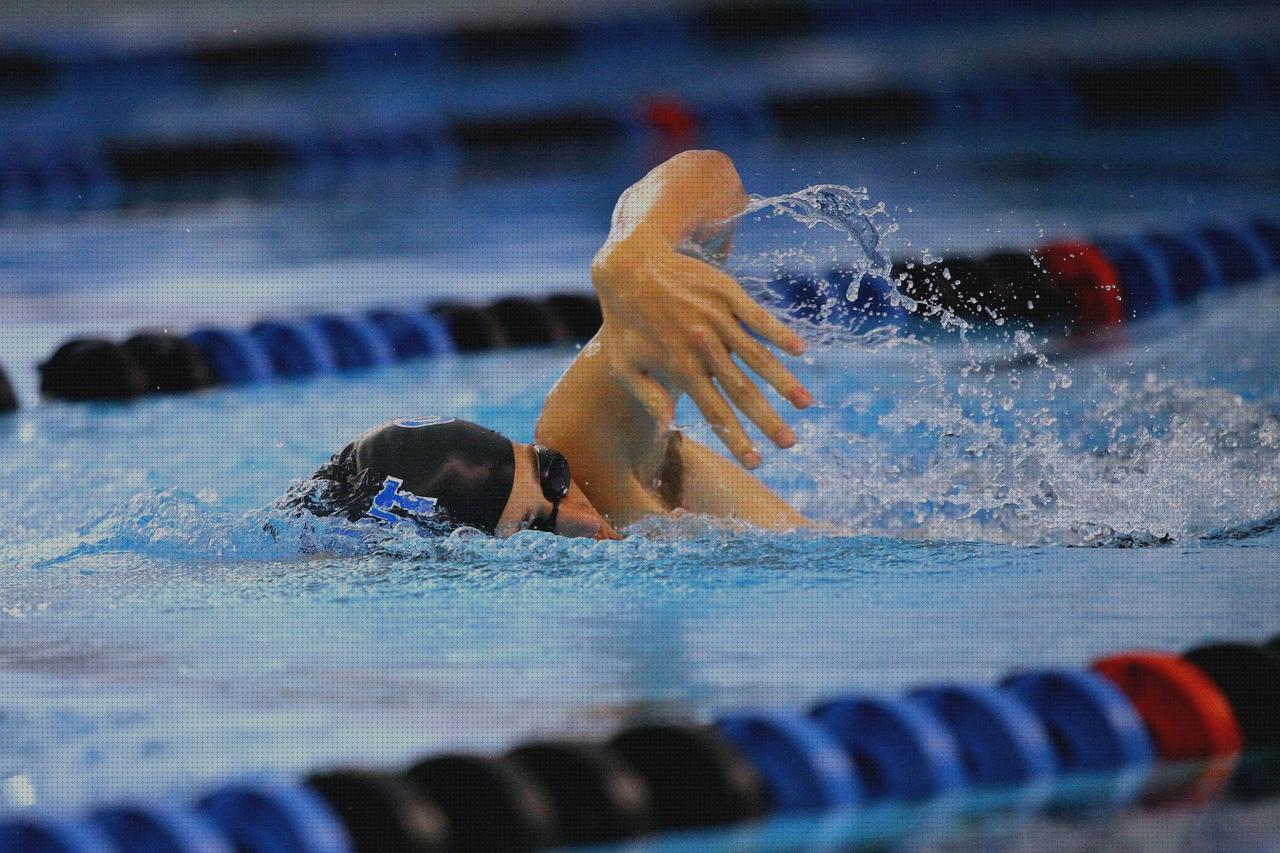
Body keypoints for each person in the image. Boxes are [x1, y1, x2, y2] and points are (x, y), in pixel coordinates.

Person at [296, 150, 813, 539]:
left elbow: (714, 175)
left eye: (553, 474)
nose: (586, 522)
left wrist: (633, 250)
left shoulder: (587, 453)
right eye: (537, 529)